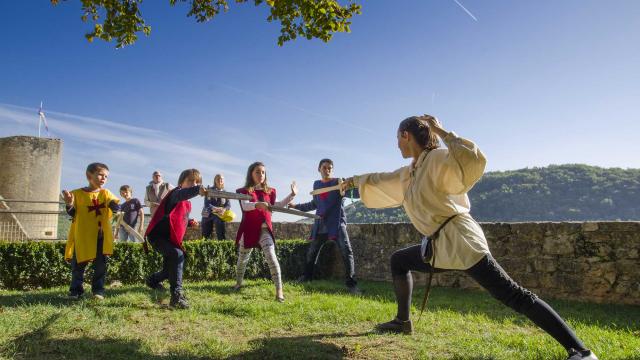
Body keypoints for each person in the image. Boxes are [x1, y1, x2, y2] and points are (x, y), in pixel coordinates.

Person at [341, 115, 598, 360]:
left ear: (405, 135)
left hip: (462, 240)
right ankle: (402, 321)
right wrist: (352, 182)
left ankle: (581, 352)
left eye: (397, 139)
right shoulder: (409, 172)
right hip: (439, 245)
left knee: (514, 295)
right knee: (399, 260)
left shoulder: (438, 158)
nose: (396, 145)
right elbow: (379, 179)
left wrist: (441, 131)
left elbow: (471, 159)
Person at [292, 158, 361, 294]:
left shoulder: (338, 182)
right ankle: (307, 277)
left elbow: (354, 194)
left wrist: (354, 185)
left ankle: (351, 284)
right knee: (312, 252)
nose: (327, 170)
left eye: (330, 168)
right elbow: (315, 204)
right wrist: (296, 206)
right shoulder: (316, 184)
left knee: (347, 252)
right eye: (324, 167)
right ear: (319, 169)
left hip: (336, 223)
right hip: (321, 224)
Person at [234, 161, 297, 302]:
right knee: (242, 260)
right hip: (249, 229)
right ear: (251, 173)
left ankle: (279, 291)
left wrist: (291, 195)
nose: (261, 174)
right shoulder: (244, 191)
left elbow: (276, 206)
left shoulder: (270, 191)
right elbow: (245, 206)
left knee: (271, 257)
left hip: (264, 230)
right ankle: (238, 283)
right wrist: (257, 204)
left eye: (263, 172)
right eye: (257, 171)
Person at [144, 169, 205, 309]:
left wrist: (190, 222)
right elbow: (183, 194)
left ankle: (152, 281)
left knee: (169, 269)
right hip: (157, 237)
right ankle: (176, 296)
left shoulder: (187, 203)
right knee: (177, 255)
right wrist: (198, 189)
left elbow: (177, 217)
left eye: (197, 182)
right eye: (190, 181)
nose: (194, 184)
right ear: (181, 182)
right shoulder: (175, 194)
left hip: (170, 239)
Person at [63, 162, 120, 300]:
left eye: (106, 176)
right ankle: (76, 290)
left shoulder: (105, 193)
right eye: (100, 174)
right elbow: (72, 213)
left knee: (100, 266)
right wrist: (69, 204)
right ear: (89, 175)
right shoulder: (76, 194)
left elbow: (113, 203)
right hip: (82, 235)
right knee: (78, 265)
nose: (103, 178)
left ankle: (98, 291)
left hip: (100, 236)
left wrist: (116, 209)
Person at [201, 174, 231, 240]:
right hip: (208, 215)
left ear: (223, 181)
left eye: (222, 179)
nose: (220, 180)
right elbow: (207, 204)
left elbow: (228, 205)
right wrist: (216, 208)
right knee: (205, 237)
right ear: (215, 180)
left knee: (221, 236)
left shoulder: (225, 192)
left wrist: (224, 209)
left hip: (219, 215)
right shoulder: (209, 190)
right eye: (218, 178)